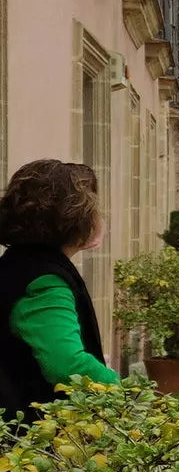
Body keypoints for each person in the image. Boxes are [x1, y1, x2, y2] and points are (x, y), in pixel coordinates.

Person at [0, 160, 119, 422]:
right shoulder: (44, 280)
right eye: (94, 208)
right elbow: (67, 366)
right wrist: (125, 393)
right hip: (33, 438)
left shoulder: (22, 261)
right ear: (73, 217)